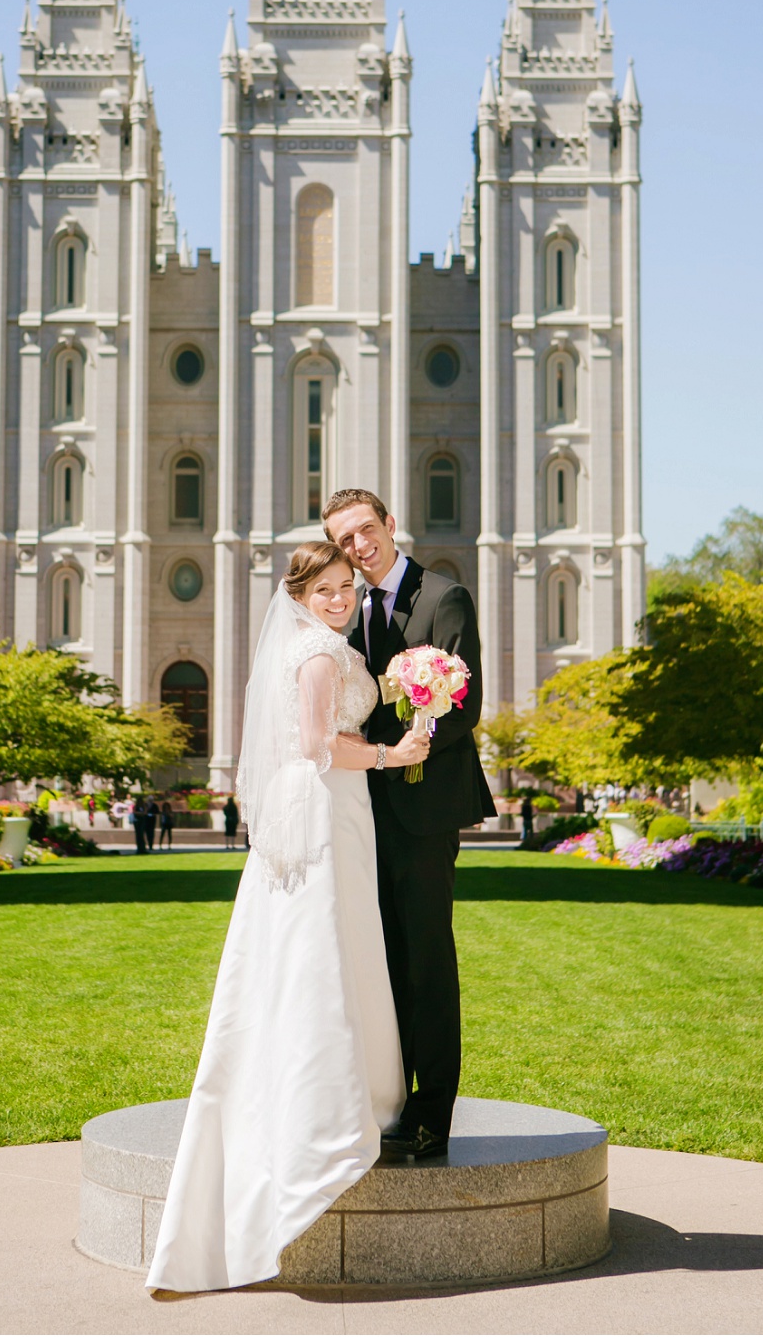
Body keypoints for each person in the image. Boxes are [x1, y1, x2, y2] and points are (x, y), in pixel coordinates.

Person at [146, 541, 430, 1293]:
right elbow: (315, 745)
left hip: (336, 812)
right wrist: (393, 755)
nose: (339, 597)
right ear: (298, 593)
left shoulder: (323, 647)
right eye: (325, 587)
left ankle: (344, 1092)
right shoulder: (315, 655)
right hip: (330, 810)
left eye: (346, 586)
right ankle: (331, 1113)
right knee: (323, 949)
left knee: (327, 947)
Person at [323, 488, 493, 1162]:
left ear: (391, 525)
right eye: (345, 541)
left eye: (366, 531)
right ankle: (391, 1100)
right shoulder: (346, 610)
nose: (359, 547)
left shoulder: (442, 597)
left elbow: (464, 704)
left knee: (427, 962)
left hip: (424, 811)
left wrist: (411, 748)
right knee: (382, 961)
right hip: (364, 811)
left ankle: (434, 1112)